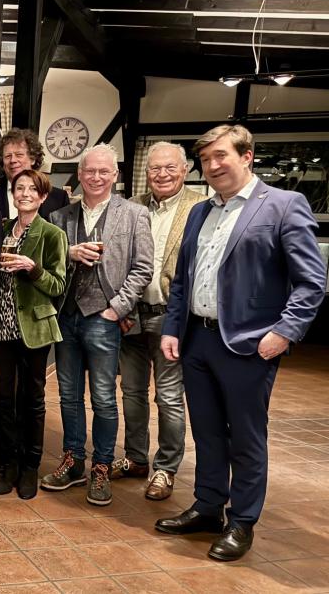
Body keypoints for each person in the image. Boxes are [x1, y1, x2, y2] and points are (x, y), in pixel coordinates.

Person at [157, 125, 326, 561]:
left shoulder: (286, 206)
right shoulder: (199, 212)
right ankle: (209, 507)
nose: (212, 166)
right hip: (197, 340)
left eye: (221, 156)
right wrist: (173, 328)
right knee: (208, 433)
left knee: (246, 439)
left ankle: (242, 520)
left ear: (247, 156)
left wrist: (283, 333)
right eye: (207, 159)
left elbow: (312, 283)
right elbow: (183, 281)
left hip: (249, 345)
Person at [42, 144, 153, 507]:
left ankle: (101, 466)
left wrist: (116, 309)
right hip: (66, 317)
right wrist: (69, 255)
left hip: (105, 319)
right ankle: (73, 460)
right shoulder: (60, 217)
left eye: (104, 171)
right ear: (80, 173)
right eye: (89, 171)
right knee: (69, 397)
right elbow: (51, 265)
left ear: (115, 175)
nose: (96, 177)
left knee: (104, 399)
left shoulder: (134, 214)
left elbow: (142, 268)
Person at [111, 142, 206, 499]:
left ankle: (165, 468)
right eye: (154, 169)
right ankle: (136, 458)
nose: (162, 174)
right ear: (145, 172)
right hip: (131, 316)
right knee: (131, 392)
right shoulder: (130, 206)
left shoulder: (199, 206)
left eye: (169, 168)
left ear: (184, 170)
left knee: (168, 397)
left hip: (172, 318)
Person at [0, 169, 67, 500]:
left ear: (43, 196)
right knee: (2, 396)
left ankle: (31, 465)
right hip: (0, 324)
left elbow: (58, 284)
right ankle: (9, 463)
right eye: (19, 188)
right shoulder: (2, 228)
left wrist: (31, 268)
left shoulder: (51, 233)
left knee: (32, 399)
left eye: (32, 189)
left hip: (33, 326)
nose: (24, 194)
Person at [0, 128, 70, 218]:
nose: (13, 160)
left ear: (33, 159)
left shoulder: (59, 199)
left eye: (19, 155)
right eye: (8, 156)